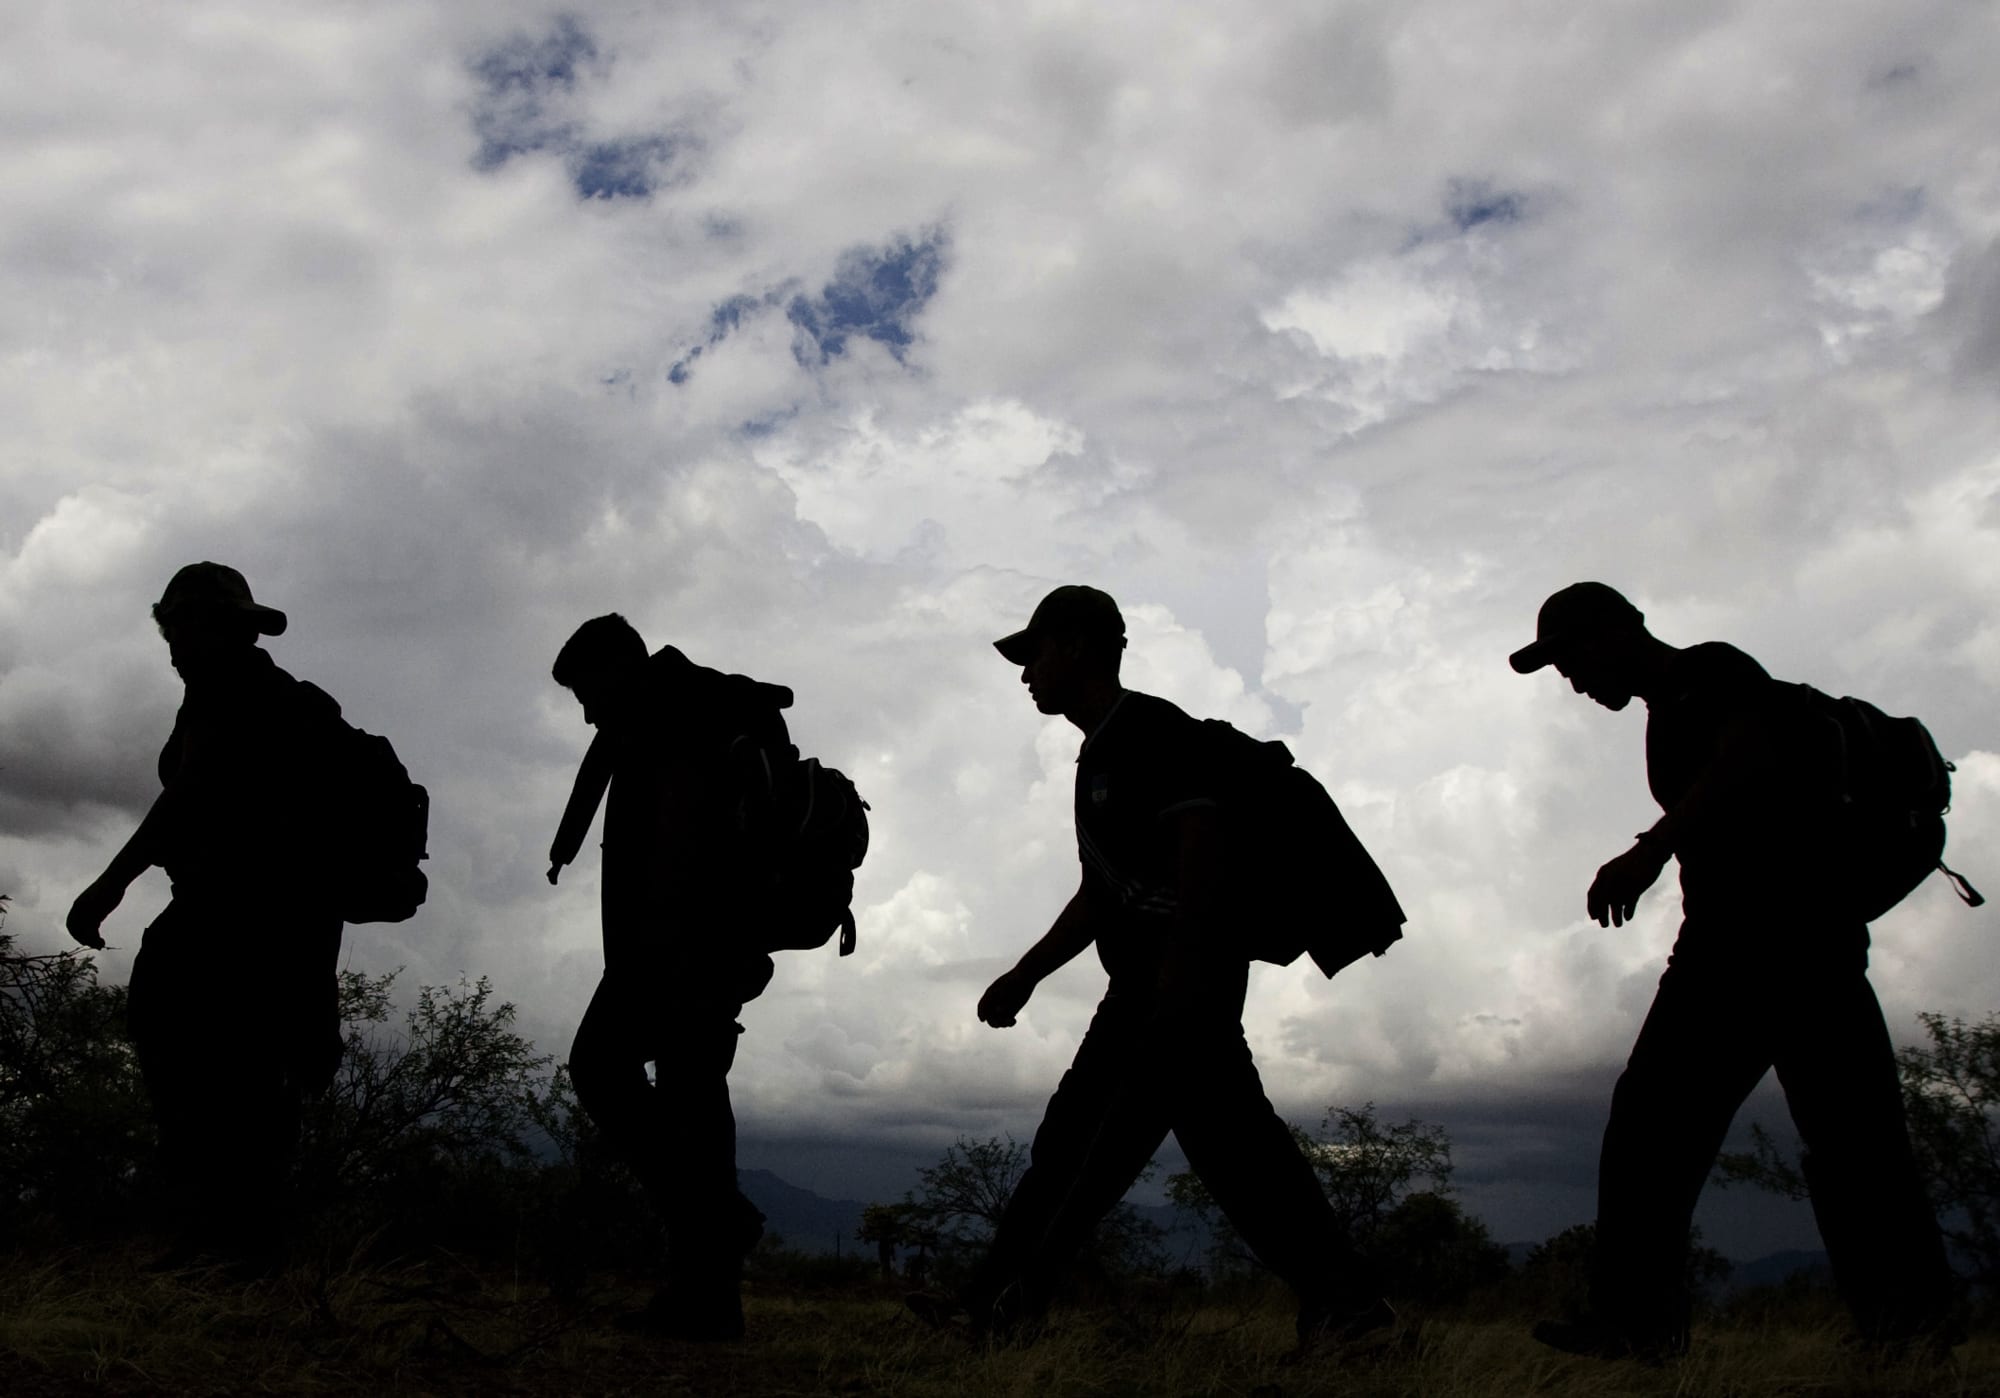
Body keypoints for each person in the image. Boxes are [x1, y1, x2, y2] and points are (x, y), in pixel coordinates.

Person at [917, 585, 1391, 1346]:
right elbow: (1101, 894)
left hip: (1176, 981)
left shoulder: (1150, 731)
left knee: (1106, 1147)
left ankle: (1001, 1306)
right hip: (1148, 981)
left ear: (1075, 645)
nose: (1025, 673)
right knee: (1208, 1148)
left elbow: (1200, 843)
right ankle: (1349, 1306)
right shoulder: (1100, 753)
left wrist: (1181, 974)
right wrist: (1026, 974)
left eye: (1033, 653)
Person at [1511, 581, 1958, 1360]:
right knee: (1828, 1140)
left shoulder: (1711, 670)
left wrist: (1647, 853)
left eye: (1572, 659)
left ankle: (1899, 1332)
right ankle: (1899, 1331)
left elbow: (1750, 753)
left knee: (1706, 1129)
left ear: (1617, 633)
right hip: (1761, 943)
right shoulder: (1668, 710)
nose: (1573, 683)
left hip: (1774, 941)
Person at [66, 562, 346, 1274]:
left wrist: (108, 884)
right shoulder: (225, 693)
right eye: (169, 627)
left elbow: (186, 797)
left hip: (246, 910)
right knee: (220, 1061)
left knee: (217, 1059)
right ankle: (224, 1236)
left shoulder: (240, 693)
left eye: (184, 626)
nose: (172, 643)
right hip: (245, 908)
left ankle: (236, 1241)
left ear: (221, 628)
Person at [546, 614, 791, 1340]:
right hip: (709, 948)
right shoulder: (682, 711)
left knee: (599, 1066)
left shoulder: (674, 721)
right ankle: (710, 1302)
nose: (588, 713)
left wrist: (656, 953)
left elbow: (677, 854)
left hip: (679, 949)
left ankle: (716, 1228)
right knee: (695, 1106)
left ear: (621, 666)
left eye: (589, 693)